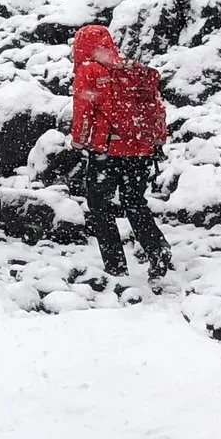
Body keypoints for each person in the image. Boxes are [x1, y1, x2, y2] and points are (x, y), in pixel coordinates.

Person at [70, 23, 172, 284]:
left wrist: (79, 142)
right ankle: (157, 248)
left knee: (99, 205)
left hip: (108, 151)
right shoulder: (129, 69)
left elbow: (84, 111)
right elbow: (153, 106)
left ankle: (116, 267)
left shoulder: (89, 70)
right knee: (134, 201)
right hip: (141, 148)